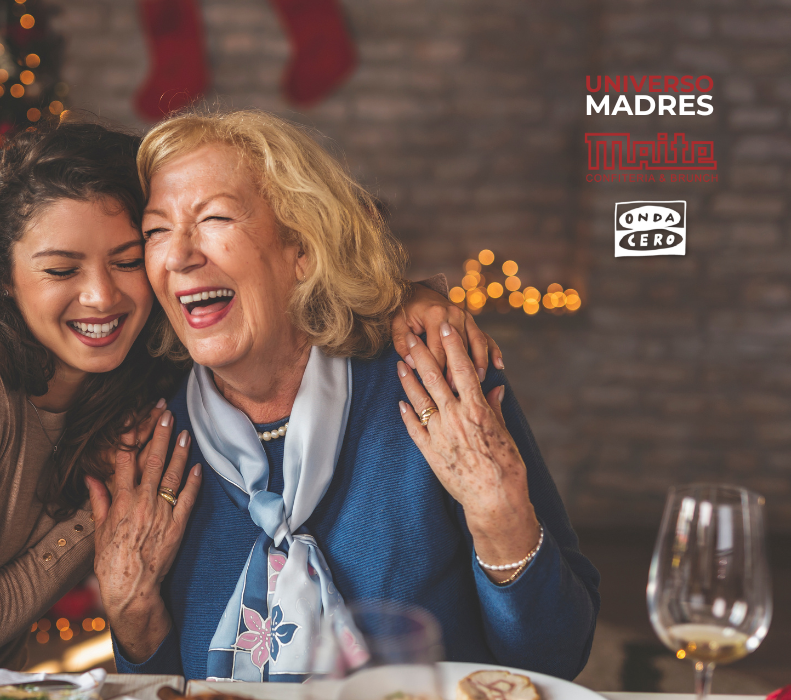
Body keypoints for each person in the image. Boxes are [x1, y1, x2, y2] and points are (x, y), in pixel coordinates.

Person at [0, 120, 489, 669]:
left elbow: (299, 287)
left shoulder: (135, 381)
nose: (101, 296)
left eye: (129, 258)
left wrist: (411, 301)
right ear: (5, 278)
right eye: (61, 269)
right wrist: (85, 522)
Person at [89, 110, 600, 682]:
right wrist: (132, 615)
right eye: (156, 230)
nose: (179, 255)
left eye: (215, 218)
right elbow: (158, 687)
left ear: (301, 249)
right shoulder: (153, 435)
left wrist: (500, 516)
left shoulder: (434, 380)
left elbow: (557, 658)